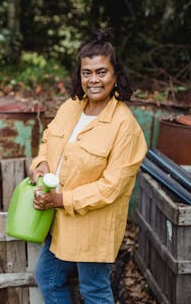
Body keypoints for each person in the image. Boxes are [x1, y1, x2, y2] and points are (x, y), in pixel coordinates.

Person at [30, 29, 147, 303]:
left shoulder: (124, 127)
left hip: (93, 225)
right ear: (79, 75)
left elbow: (111, 188)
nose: (93, 80)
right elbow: (49, 139)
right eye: (87, 72)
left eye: (101, 72)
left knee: (93, 289)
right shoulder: (71, 106)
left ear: (115, 74)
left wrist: (60, 199)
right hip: (59, 220)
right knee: (48, 278)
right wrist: (40, 165)